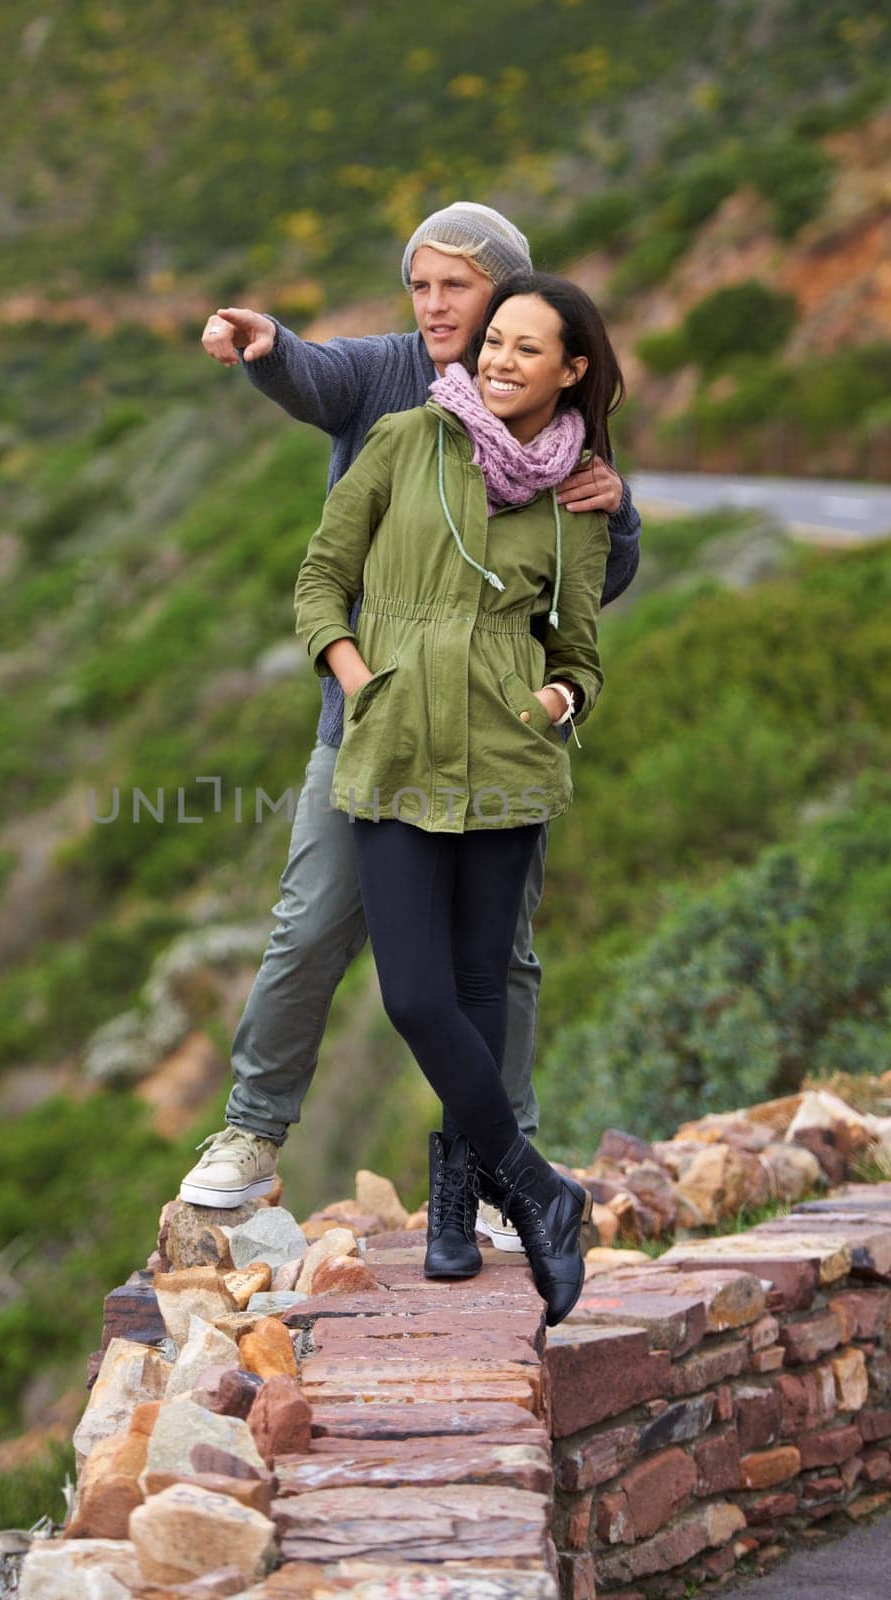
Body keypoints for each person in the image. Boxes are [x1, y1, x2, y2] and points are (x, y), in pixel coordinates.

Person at [178, 203, 641, 1255]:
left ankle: (488, 1174)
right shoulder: (393, 380)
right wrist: (265, 347)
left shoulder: (555, 416)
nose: (436, 307)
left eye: (458, 289)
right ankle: (252, 1134)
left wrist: (606, 517)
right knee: (313, 925)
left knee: (498, 962)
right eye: (420, 285)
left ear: (515, 303)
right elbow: (315, 377)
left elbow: (599, 583)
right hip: (373, 732)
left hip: (494, 749)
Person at [292, 272, 622, 1321]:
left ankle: (454, 1207)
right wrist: (357, 677)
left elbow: (582, 649)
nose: (499, 360)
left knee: (479, 992)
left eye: (529, 348)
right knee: (415, 997)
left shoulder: (578, 499)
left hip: (506, 766)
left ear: (572, 370)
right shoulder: (404, 442)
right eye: (495, 342)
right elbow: (318, 579)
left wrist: (558, 696)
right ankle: (539, 1189)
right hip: (392, 755)